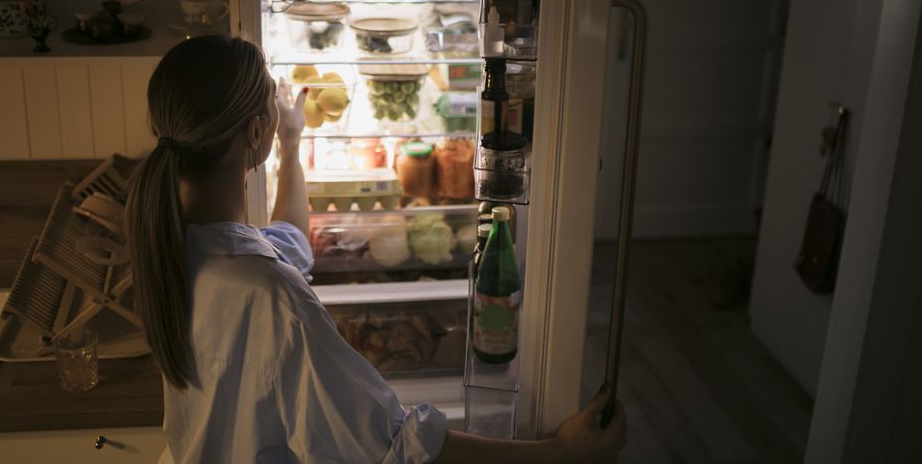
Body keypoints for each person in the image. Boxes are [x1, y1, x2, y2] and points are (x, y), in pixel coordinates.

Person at [126, 35, 626, 463]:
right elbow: (393, 448)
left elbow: (291, 242)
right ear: (257, 133)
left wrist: (294, 144)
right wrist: (559, 453)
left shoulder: (172, 243)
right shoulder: (273, 300)